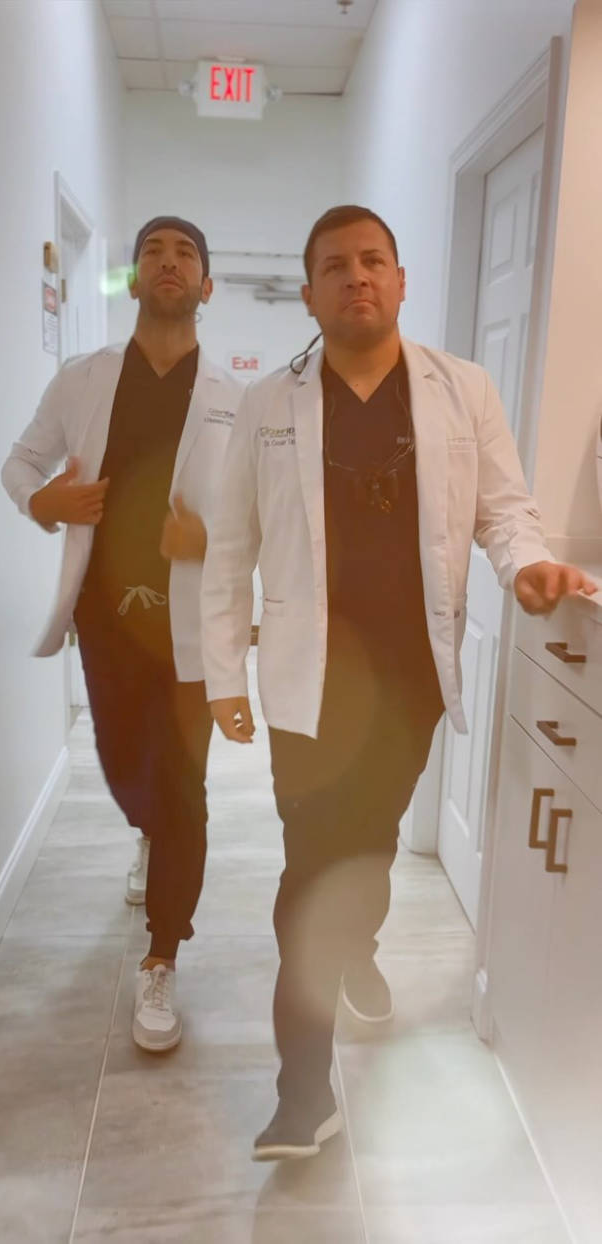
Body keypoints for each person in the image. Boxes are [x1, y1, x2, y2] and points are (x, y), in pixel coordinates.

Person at [200, 204, 598, 1161]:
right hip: (309, 679)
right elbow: (229, 550)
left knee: (368, 848)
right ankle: (305, 1093)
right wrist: (222, 674)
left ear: (403, 280)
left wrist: (530, 566)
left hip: (413, 676)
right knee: (307, 871)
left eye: (372, 260)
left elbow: (507, 512)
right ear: (310, 293)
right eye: (333, 266)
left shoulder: (462, 390)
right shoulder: (269, 406)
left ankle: (360, 946)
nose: (356, 277)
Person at [2, 216, 242, 1052]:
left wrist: (210, 539)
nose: (168, 263)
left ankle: (163, 954)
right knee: (121, 765)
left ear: (206, 286)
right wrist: (43, 503)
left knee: (184, 787)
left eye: (186, 255)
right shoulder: (84, 381)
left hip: (189, 629)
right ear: (132, 282)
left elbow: (261, 514)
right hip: (108, 620)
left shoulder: (232, 399)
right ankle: (147, 828)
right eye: (152, 254)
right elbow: (19, 462)